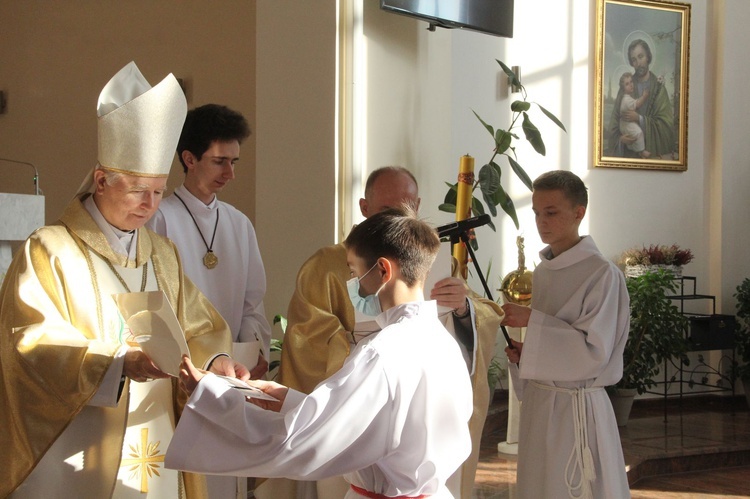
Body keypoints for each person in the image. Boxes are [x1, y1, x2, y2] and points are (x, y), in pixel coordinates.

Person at [0, 61, 249, 498]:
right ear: (101, 180)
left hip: (156, 437)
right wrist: (118, 362)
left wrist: (214, 363)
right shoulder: (51, 249)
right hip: (78, 447)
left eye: (157, 191)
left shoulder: (162, 254)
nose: (149, 205)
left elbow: (201, 327)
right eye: (136, 189)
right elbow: (29, 343)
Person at [165, 205, 474, 499]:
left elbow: (307, 442)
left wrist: (212, 398)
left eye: (354, 271)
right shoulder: (441, 342)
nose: (352, 283)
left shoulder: (383, 351)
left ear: (382, 270)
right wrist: (285, 400)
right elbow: (369, 421)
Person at [269, 166, 504, 499]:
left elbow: (484, 317)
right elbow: (308, 336)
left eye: (406, 210)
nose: (397, 220)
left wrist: (463, 309)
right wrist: (357, 349)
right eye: (386, 211)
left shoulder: (426, 267)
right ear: (365, 208)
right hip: (359, 419)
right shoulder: (326, 264)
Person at [147, 103, 270, 498]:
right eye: (220, 162)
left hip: (233, 372)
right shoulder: (161, 219)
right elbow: (155, 301)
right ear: (189, 158)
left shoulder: (238, 223)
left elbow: (254, 302)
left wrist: (255, 348)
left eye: (234, 162)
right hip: (181, 374)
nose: (230, 174)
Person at [501, 170, 631, 498]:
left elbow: (593, 352)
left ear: (579, 212)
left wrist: (534, 321)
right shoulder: (544, 273)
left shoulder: (602, 275)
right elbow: (552, 341)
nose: (541, 222)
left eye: (551, 212)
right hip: (542, 403)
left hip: (579, 409)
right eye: (536, 213)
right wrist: (525, 354)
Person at [606, 38, 675, 159]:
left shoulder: (659, 89)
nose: (638, 63)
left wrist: (640, 119)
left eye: (641, 56)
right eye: (634, 60)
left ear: (648, 57)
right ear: (631, 63)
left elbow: (667, 126)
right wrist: (620, 139)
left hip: (654, 156)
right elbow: (614, 125)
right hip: (629, 156)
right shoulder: (625, 89)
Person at [618, 72, 651, 159]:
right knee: (638, 133)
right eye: (627, 84)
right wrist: (644, 96)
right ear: (623, 88)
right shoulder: (626, 99)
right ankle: (642, 151)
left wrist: (638, 118)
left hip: (626, 123)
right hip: (626, 124)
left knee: (635, 135)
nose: (631, 85)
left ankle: (638, 151)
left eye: (631, 82)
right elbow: (637, 104)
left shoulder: (627, 98)